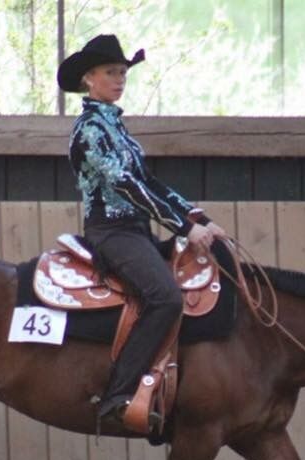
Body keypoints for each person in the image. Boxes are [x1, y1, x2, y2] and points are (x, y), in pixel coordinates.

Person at [57, 34, 226, 427]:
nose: (119, 79)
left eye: (122, 73)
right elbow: (125, 187)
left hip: (136, 231)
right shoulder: (89, 131)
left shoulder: (119, 131)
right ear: (89, 79)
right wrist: (182, 225)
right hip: (111, 233)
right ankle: (118, 392)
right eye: (111, 73)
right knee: (165, 296)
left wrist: (198, 219)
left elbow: (152, 183)